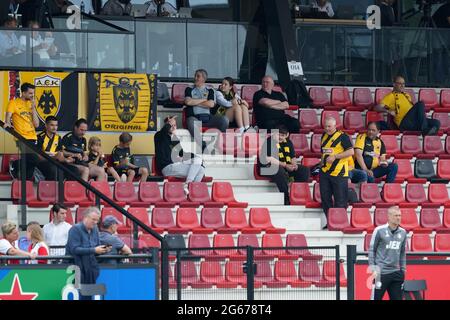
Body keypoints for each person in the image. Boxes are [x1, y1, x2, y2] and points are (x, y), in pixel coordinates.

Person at [66, 207, 111, 299]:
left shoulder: (95, 229)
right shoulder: (75, 229)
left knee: (89, 296)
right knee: (80, 296)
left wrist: (103, 250)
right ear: (85, 217)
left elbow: (96, 246)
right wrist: (94, 250)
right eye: (93, 219)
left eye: (97, 220)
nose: (95, 222)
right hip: (77, 269)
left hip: (91, 269)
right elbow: (74, 249)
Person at [258, 125, 310, 205]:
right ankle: (286, 197)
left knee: (304, 170)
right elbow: (269, 159)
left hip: (284, 166)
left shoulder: (288, 142)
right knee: (278, 169)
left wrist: (294, 165)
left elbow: (292, 157)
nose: (280, 137)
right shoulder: (269, 141)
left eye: (282, 135)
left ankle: (298, 194)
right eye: (278, 134)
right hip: (267, 167)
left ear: (287, 135)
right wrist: (285, 165)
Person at [154, 115, 205, 194]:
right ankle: (189, 186)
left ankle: (190, 190)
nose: (173, 127)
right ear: (166, 126)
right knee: (198, 169)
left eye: (175, 125)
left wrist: (196, 157)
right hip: (167, 167)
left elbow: (183, 153)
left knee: (201, 168)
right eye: (171, 125)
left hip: (176, 166)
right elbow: (163, 131)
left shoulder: (175, 139)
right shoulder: (159, 136)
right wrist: (169, 124)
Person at [374, 76, 440, 136]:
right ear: (394, 84)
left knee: (436, 123)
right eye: (400, 83)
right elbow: (377, 107)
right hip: (404, 122)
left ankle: (427, 136)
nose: (402, 85)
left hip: (413, 121)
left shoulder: (407, 95)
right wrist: (388, 111)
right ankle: (424, 130)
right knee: (420, 104)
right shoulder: (391, 96)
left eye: (403, 84)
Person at [319, 117, 354, 225]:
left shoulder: (343, 136)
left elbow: (351, 152)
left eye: (329, 126)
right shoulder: (323, 136)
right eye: (325, 126)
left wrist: (336, 157)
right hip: (325, 172)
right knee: (325, 199)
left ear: (335, 126)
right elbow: (324, 152)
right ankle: (331, 222)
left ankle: (339, 223)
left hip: (339, 172)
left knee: (340, 200)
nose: (327, 128)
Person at [369, 206, 407, 300]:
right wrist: (374, 269)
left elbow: (402, 253)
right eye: (395, 215)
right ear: (389, 217)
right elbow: (371, 250)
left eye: (399, 215)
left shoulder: (403, 232)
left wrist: (403, 270)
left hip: (396, 273)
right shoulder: (379, 230)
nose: (398, 218)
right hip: (381, 273)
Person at [184, 69, 229, 148]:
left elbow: (211, 104)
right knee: (191, 122)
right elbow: (188, 102)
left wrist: (194, 102)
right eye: (195, 76)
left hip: (208, 118)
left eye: (198, 76)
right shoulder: (189, 89)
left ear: (204, 79)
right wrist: (204, 100)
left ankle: (217, 142)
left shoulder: (210, 90)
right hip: (195, 118)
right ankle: (202, 145)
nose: (195, 78)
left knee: (225, 120)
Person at [3, 82, 39, 180]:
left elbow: (36, 124)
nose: (32, 96)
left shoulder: (31, 104)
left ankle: (25, 185)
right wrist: (7, 123)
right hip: (21, 137)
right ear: (23, 93)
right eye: (30, 93)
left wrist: (34, 108)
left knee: (30, 167)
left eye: (33, 93)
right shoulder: (13, 103)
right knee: (34, 159)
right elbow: (8, 117)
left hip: (33, 137)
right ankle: (15, 163)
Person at [36, 116, 80, 181]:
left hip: (57, 162)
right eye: (52, 125)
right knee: (56, 169)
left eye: (56, 125)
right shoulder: (40, 137)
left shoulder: (58, 137)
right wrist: (57, 157)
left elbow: (60, 152)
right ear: (46, 125)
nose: (55, 127)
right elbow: (39, 156)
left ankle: (69, 190)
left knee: (74, 170)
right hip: (45, 162)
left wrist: (70, 156)